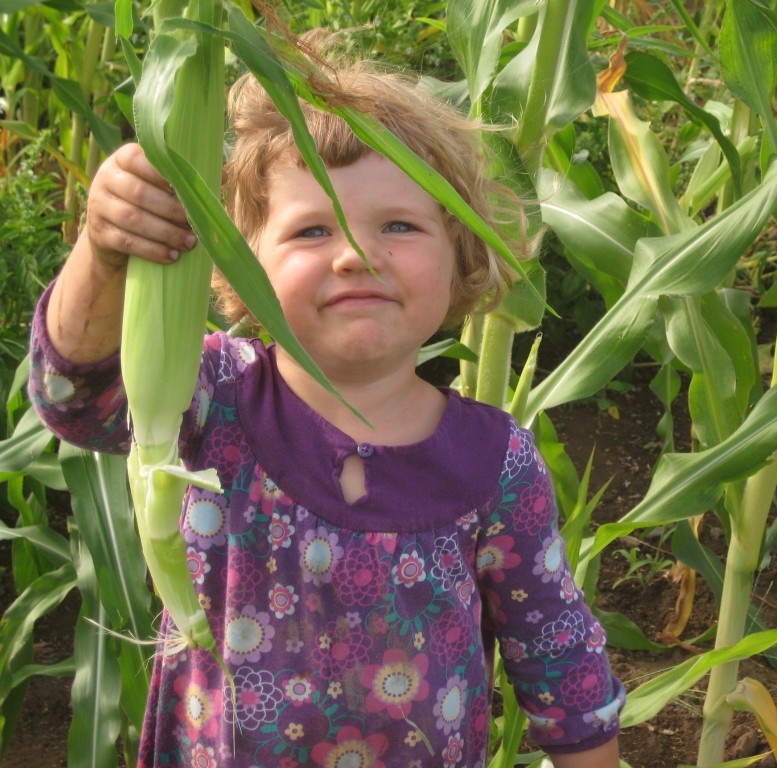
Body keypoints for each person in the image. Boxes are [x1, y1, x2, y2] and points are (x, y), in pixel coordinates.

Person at [29, 29, 624, 768]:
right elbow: (73, 398)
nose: (355, 252)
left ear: (463, 254)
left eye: (399, 225)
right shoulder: (214, 398)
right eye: (312, 229)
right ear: (244, 263)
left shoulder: (496, 463)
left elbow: (558, 656)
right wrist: (103, 251)